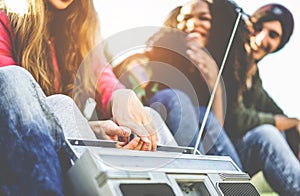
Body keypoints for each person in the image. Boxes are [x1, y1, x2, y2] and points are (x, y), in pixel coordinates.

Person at [0, 0, 178, 194]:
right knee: (47, 97)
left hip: (67, 149)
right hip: (19, 155)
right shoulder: (5, 19)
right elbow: (12, 99)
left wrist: (120, 98)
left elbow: (102, 76)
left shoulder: (80, 30)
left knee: (150, 115)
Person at [114, 0, 244, 169]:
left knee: (205, 113)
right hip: (148, 133)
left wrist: (216, 87)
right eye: (186, 17)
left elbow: (215, 134)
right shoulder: (153, 58)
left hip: (186, 146)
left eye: (203, 18)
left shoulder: (206, 73)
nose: (192, 24)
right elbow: (127, 99)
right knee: (176, 97)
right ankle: (196, 174)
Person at [221, 3, 300, 195]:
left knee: (281, 132)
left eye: (273, 35)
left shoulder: (254, 77)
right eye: (258, 27)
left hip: (238, 154)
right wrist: (283, 122)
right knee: (267, 134)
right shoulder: (231, 57)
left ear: (279, 45)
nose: (261, 38)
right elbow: (235, 118)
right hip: (217, 151)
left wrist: (295, 126)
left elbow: (276, 112)